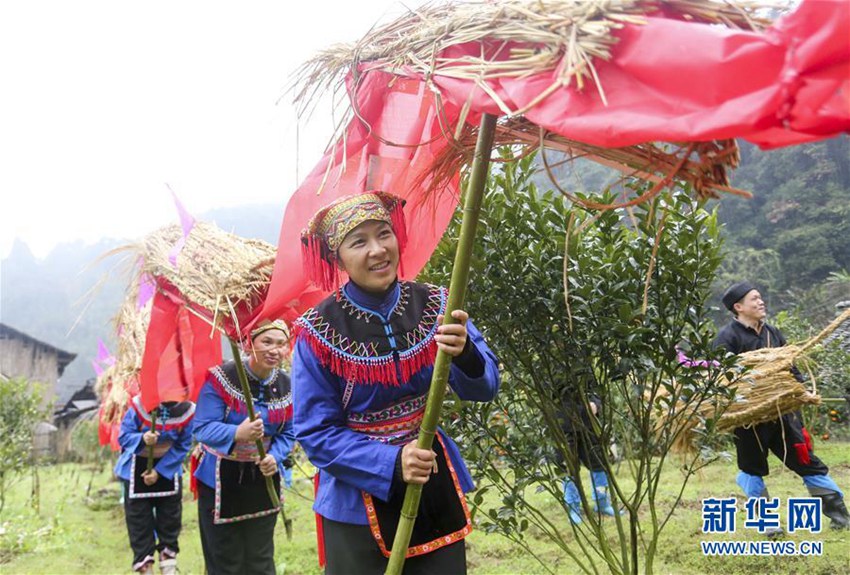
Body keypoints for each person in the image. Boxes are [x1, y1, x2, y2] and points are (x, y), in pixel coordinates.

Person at [291, 191, 500, 574]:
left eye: (384, 234)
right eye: (359, 242)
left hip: (431, 482)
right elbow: (315, 432)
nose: (377, 250)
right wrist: (390, 461)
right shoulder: (317, 332)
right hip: (356, 500)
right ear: (337, 257)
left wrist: (466, 353)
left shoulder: (438, 304)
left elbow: (484, 388)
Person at [714, 281, 850, 530]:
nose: (761, 302)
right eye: (754, 299)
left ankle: (840, 516)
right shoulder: (727, 338)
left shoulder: (772, 333)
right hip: (749, 421)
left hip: (785, 416)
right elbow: (720, 379)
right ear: (738, 307)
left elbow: (791, 367)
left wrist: (802, 390)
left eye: (760, 297)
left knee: (806, 460)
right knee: (751, 468)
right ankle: (767, 524)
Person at [193, 319, 295, 574]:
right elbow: (202, 428)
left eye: (281, 344)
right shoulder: (222, 378)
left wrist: (275, 456)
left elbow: (290, 432)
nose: (274, 350)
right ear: (250, 344)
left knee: (261, 557)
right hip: (220, 480)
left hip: (263, 478)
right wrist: (237, 432)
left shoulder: (287, 384)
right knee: (226, 559)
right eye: (267, 342)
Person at [114, 395, 194, 574]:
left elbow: (183, 444)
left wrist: (159, 471)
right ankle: (145, 566)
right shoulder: (138, 406)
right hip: (134, 472)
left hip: (169, 470)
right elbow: (124, 436)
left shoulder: (188, 411)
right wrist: (143, 439)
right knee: (139, 523)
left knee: (170, 521)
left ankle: (168, 565)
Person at [557, 394, 620, 525]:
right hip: (564, 426)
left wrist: (595, 404)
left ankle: (601, 502)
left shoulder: (582, 372)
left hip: (589, 424)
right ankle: (573, 507)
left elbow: (595, 389)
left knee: (599, 463)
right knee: (568, 467)